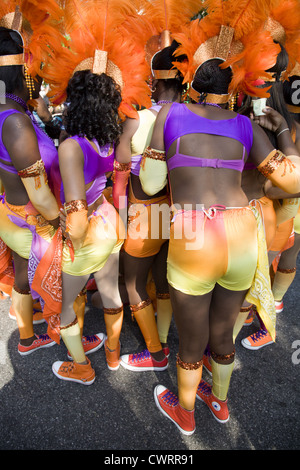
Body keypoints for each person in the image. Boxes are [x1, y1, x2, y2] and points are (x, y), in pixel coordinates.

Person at [139, 16, 300, 434]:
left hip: (195, 235)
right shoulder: (246, 125)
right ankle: (221, 403)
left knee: (191, 341)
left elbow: (153, 183)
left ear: (191, 76)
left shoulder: (170, 113)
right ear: (231, 86)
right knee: (223, 332)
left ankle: (187, 411)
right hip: (243, 234)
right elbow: (293, 181)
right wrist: (283, 132)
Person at [36, 0, 152, 384]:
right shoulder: (108, 137)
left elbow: (75, 211)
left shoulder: (71, 146)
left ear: (76, 95)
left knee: (64, 306)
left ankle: (82, 367)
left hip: (87, 230)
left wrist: (64, 244)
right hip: (111, 223)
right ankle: (115, 354)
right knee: (109, 290)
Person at [114, 39, 186, 372]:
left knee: (133, 283)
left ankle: (156, 353)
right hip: (172, 213)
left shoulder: (137, 118)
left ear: (154, 82)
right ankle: (164, 339)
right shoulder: (190, 116)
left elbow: (120, 170)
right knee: (162, 277)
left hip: (143, 212)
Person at [0, 17, 62, 356]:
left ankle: (25, 339)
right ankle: (72, 345)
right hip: (31, 220)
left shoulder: (6, 108)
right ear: (21, 73)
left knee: (23, 277)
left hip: (10, 213)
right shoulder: (16, 122)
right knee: (71, 279)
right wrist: (64, 223)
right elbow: (40, 194)